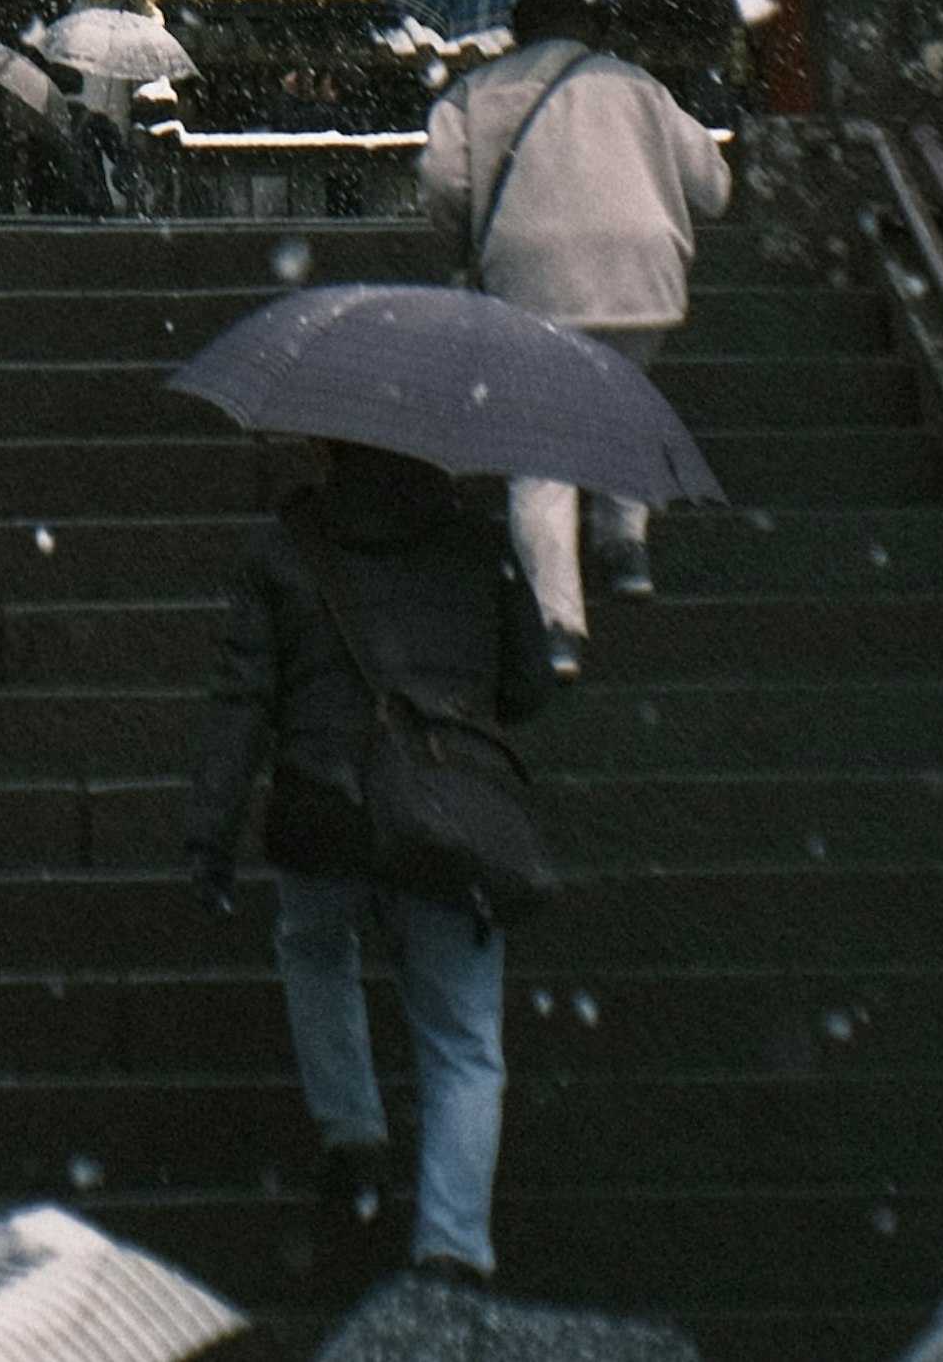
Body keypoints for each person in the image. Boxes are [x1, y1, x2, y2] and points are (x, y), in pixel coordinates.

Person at [187, 440, 559, 1289]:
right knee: (463, 1037)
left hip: (328, 802)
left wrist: (212, 828)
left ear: (327, 446)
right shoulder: (478, 545)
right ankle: (452, 1247)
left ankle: (353, 1134)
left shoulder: (285, 549)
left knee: (316, 944)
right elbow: (531, 687)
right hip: (447, 810)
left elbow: (242, 699)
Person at [421, 0, 732, 646]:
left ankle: (558, 621)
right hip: (641, 272)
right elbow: (711, 187)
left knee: (540, 446)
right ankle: (625, 544)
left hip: (532, 274)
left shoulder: (477, 90)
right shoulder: (641, 88)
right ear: (593, 29)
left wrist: (466, 237)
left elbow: (443, 178)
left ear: (516, 30)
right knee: (624, 399)